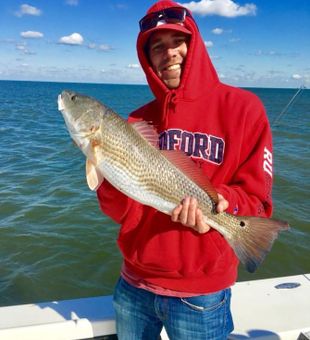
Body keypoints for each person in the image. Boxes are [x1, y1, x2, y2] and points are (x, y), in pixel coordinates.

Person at [97, 0, 274, 339]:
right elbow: (120, 211)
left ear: (195, 45)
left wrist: (222, 202)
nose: (169, 53)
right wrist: (107, 169)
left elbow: (258, 197)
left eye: (178, 42)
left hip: (202, 293)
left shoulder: (244, 108)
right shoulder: (137, 121)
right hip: (134, 284)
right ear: (147, 60)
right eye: (157, 47)